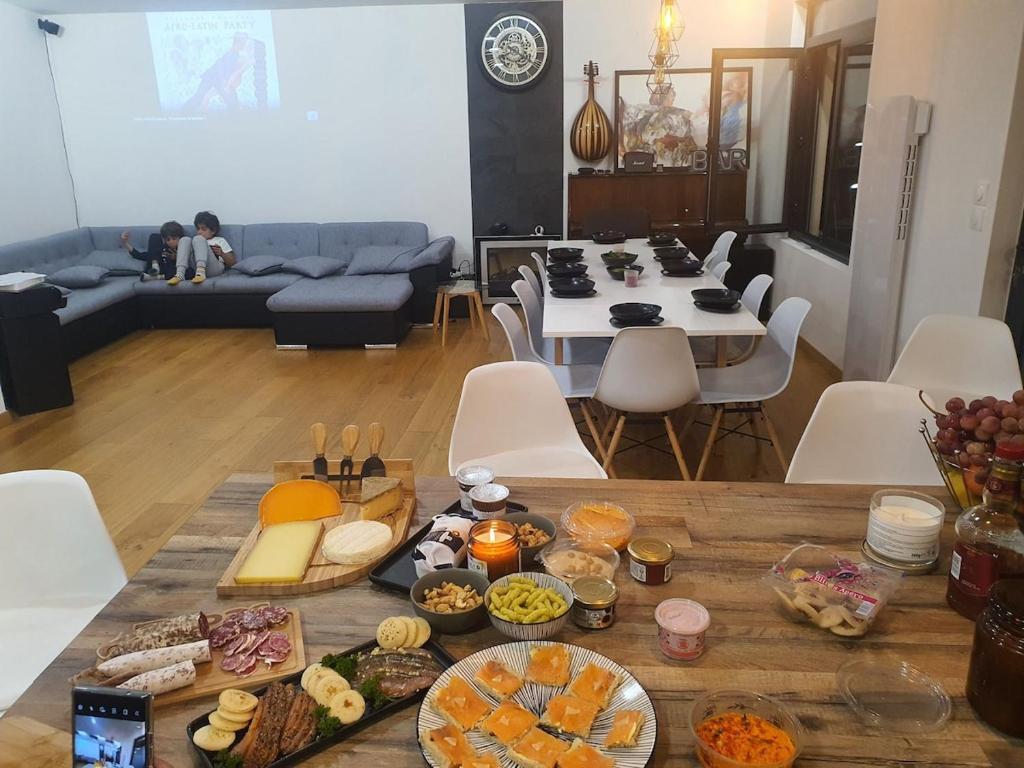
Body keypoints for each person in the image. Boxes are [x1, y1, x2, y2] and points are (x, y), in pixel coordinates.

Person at [168, 211, 236, 285]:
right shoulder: (194, 241)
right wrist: (177, 256)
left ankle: (201, 272)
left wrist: (222, 254)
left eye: (203, 229)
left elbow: (233, 263)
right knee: (185, 239)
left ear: (213, 230)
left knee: (198, 238)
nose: (199, 232)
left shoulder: (219, 240)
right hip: (194, 268)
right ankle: (180, 274)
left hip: (214, 269)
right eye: (198, 229)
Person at [120, 221, 185, 280]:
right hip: (154, 267)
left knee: (188, 272)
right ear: (164, 240)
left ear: (180, 238)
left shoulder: (183, 249)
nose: (171, 242)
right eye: (168, 239)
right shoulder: (159, 248)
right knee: (154, 237)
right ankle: (155, 266)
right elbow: (138, 255)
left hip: (168, 272)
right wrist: (125, 243)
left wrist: (176, 258)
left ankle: (154, 277)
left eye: (174, 239)